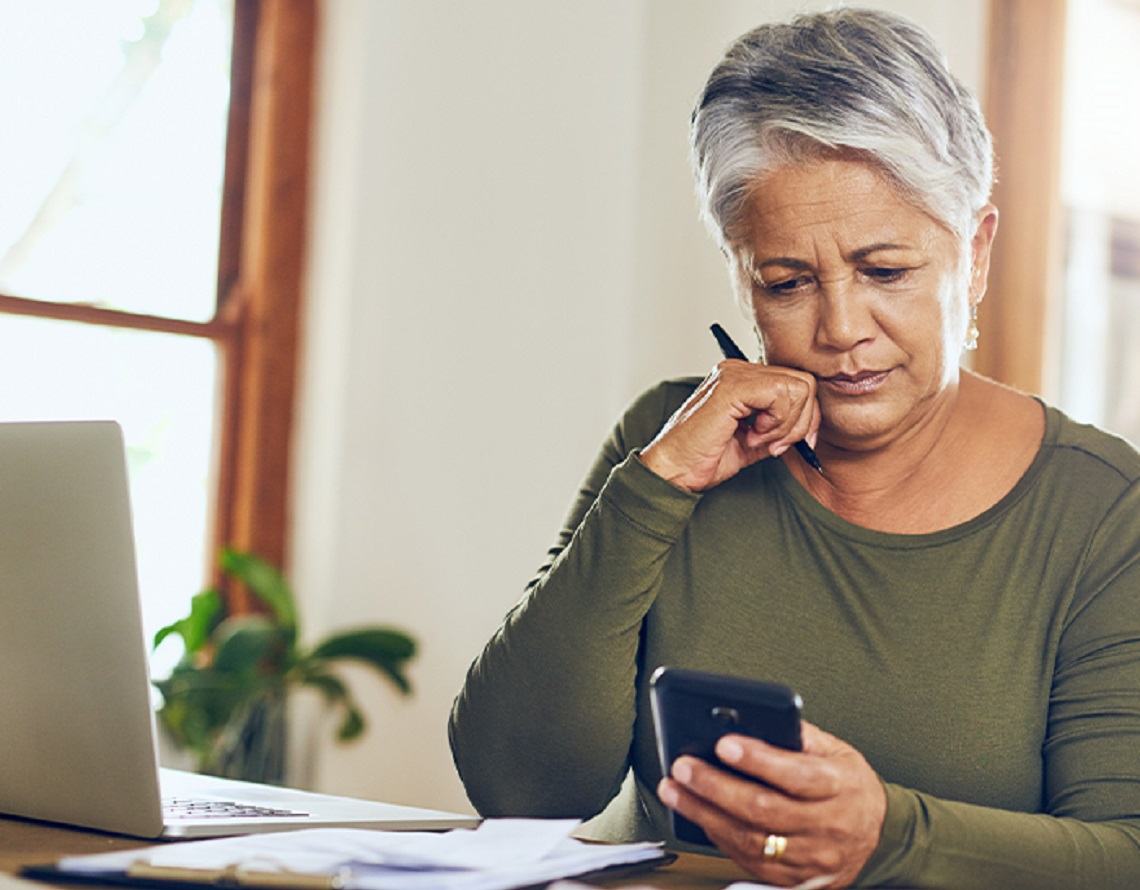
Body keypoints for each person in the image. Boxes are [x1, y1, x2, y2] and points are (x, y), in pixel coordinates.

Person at [448, 8, 1140, 888]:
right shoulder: (667, 441)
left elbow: (1128, 856)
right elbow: (520, 790)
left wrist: (888, 837)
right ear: (740, 277)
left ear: (975, 252)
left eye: (885, 272)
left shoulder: (1105, 512)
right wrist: (655, 486)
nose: (842, 329)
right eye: (786, 283)